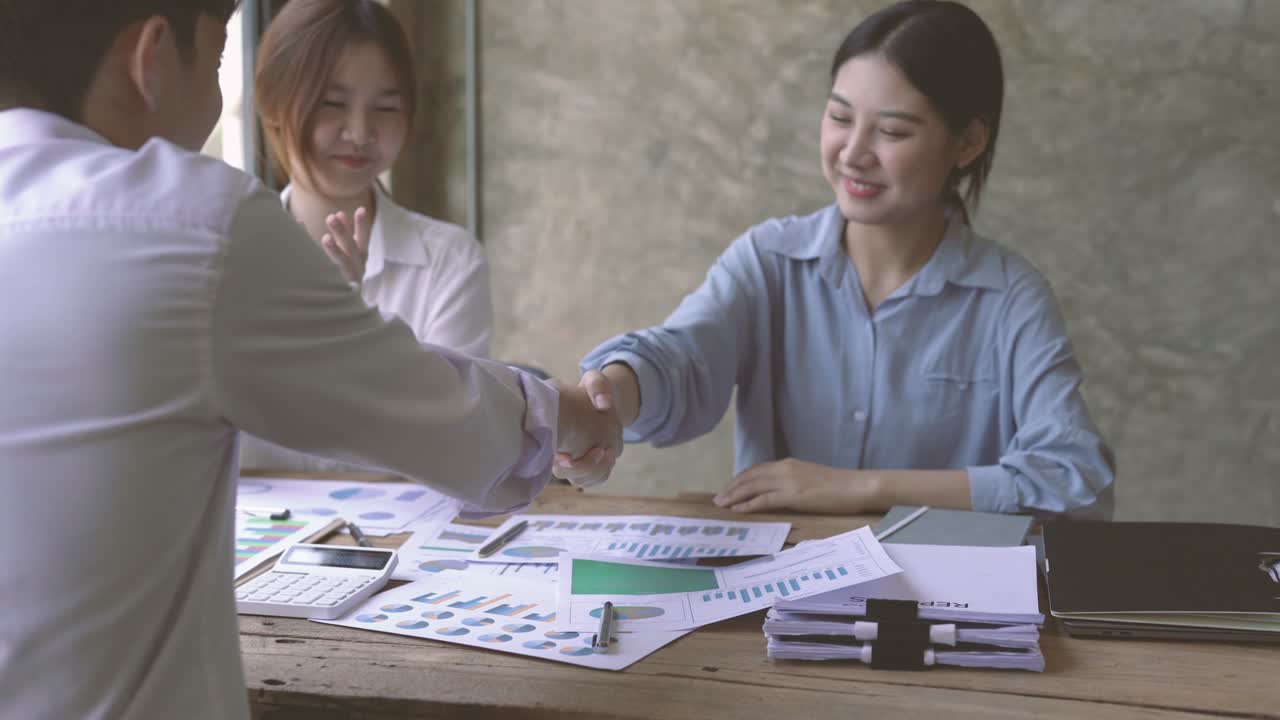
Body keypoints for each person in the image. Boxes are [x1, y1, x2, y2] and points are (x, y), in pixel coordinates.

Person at [0, 2, 618, 718]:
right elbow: (433, 411)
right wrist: (569, 414)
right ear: (153, 58)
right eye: (223, 57)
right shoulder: (199, 229)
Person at [559, 0, 1115, 519]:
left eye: (893, 130)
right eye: (840, 118)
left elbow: (1075, 479)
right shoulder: (768, 261)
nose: (853, 153)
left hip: (950, 608)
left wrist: (861, 488)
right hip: (783, 592)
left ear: (967, 143)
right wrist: (608, 397)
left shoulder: (1009, 296)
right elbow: (682, 359)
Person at [239, 0, 492, 472]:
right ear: (274, 102)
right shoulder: (230, 256)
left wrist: (350, 325)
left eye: (386, 107)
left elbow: (452, 440)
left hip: (401, 535)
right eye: (333, 104)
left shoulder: (449, 261)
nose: (359, 132)